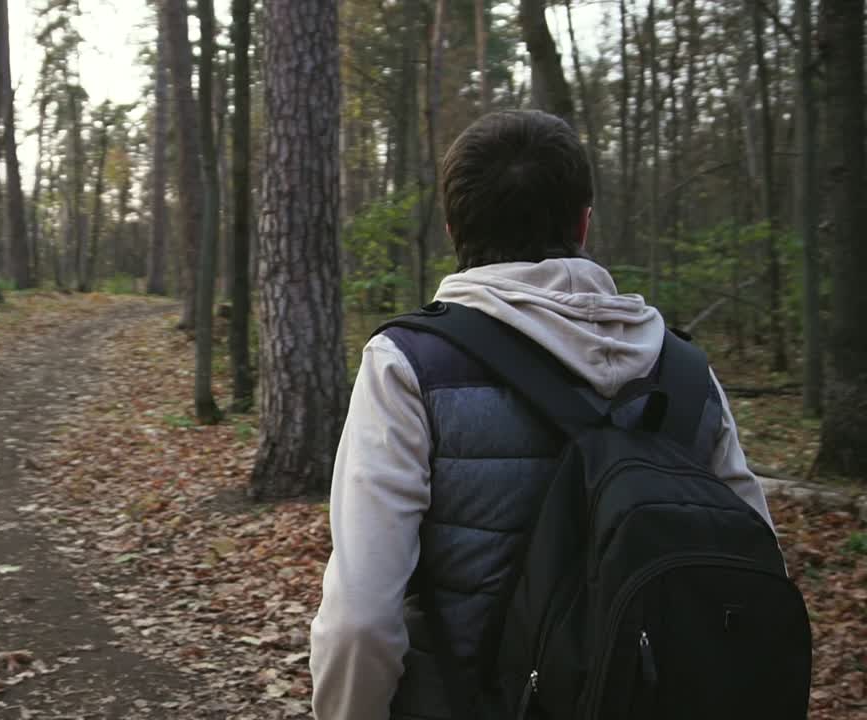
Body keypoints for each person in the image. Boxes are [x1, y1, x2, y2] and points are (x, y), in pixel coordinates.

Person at [308, 110, 774, 720]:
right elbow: (758, 572)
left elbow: (362, 622)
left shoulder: (407, 363)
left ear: (453, 227)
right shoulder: (685, 372)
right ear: (584, 223)